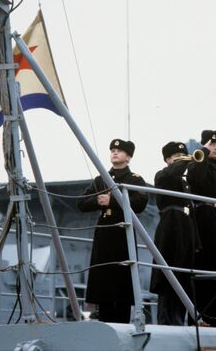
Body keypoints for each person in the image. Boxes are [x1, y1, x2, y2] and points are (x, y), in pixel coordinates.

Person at [77, 138, 148, 323]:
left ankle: (122, 323)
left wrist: (112, 201)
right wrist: (97, 201)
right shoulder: (101, 179)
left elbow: (140, 204)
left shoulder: (135, 180)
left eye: (120, 150)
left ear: (128, 157)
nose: (115, 152)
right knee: (104, 281)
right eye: (113, 150)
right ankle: (104, 321)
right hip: (105, 232)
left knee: (122, 282)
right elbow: (81, 203)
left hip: (123, 233)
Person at [150, 141, 200, 325]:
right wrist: (184, 161)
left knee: (185, 277)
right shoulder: (163, 175)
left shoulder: (184, 183)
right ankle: (166, 320)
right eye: (177, 157)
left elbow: (191, 211)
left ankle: (179, 319)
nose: (181, 160)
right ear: (168, 159)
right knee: (168, 276)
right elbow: (173, 172)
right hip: (170, 228)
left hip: (185, 229)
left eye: (183, 156)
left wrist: (196, 241)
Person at [186, 129, 216, 326]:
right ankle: (199, 317)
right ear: (204, 145)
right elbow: (195, 179)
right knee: (202, 270)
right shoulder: (199, 162)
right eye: (212, 144)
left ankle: (210, 318)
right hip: (204, 219)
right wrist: (201, 153)